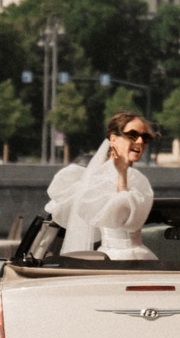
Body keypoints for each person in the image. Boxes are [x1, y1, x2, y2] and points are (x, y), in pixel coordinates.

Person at [45, 111, 157, 258]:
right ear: (113, 139)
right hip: (127, 260)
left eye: (146, 137)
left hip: (107, 258)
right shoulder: (125, 177)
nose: (140, 142)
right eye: (132, 135)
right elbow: (122, 218)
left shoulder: (92, 178)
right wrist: (122, 176)